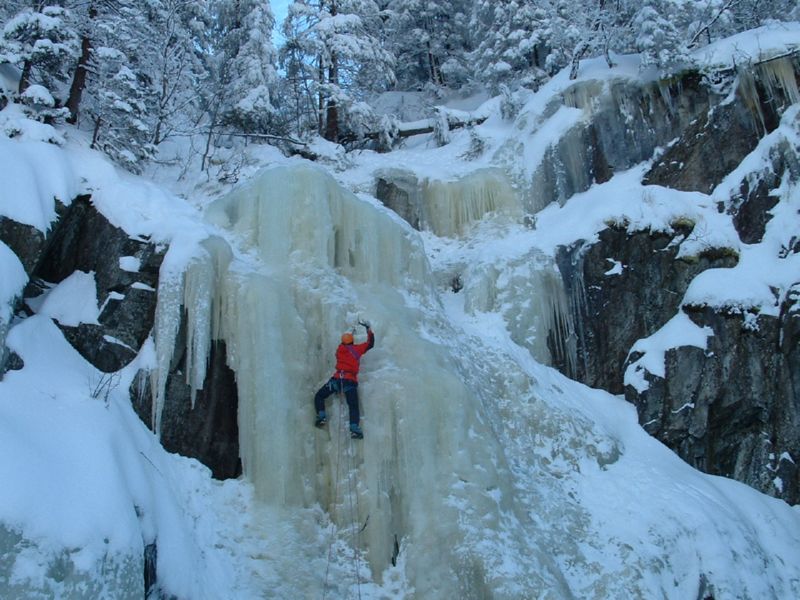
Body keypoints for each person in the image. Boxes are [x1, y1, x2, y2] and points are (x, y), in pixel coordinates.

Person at [314, 320, 375, 439]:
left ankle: (321, 416)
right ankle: (354, 429)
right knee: (353, 406)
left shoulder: (339, 350)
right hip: (350, 381)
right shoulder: (357, 349)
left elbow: (345, 344)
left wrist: (350, 331)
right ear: (352, 342)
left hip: (337, 380)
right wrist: (368, 329)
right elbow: (370, 344)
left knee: (319, 396)